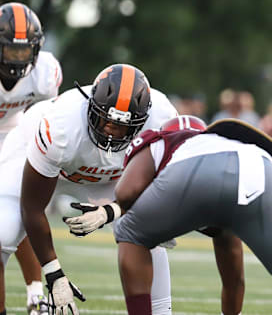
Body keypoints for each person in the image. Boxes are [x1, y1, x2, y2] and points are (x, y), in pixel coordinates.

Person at [113, 116, 272, 315]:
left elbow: (125, 193)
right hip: (262, 168)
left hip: (193, 170)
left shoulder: (162, 140)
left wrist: (150, 219)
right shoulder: (227, 144)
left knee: (129, 232)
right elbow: (234, 280)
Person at [18, 64, 177, 314]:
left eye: (122, 126)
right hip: (53, 161)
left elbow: (161, 189)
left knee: (146, 228)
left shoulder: (162, 118)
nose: (111, 132)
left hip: (119, 175)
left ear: (142, 120)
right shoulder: (62, 126)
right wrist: (54, 275)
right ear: (91, 105)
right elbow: (32, 207)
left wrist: (110, 212)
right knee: (6, 229)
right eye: (106, 119)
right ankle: (34, 293)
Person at [0, 2, 62, 315]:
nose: (17, 59)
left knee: (21, 208)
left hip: (17, 136)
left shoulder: (45, 74)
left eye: (23, 52)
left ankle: (36, 293)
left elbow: (47, 118)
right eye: (10, 51)